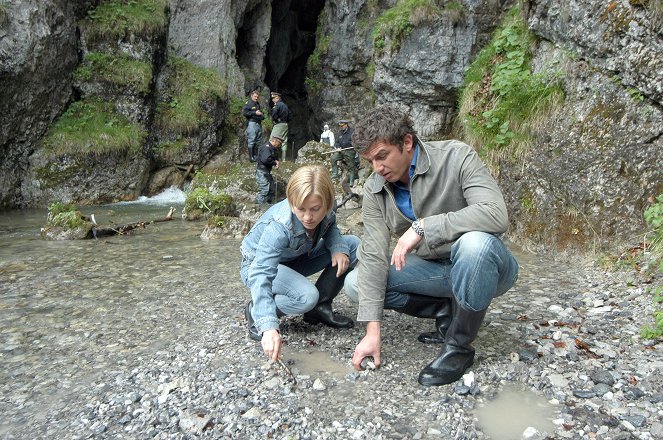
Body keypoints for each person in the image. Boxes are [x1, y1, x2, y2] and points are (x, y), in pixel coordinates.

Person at [344, 105, 519, 386]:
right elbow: (374, 255)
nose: (377, 168)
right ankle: (444, 308)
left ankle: (458, 346)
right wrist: (372, 331)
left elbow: (495, 214)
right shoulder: (375, 188)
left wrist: (424, 226)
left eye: (382, 156)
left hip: (486, 266)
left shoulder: (456, 155)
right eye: (370, 161)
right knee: (355, 282)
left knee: (475, 244)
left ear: (407, 142)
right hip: (434, 272)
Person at [240, 165, 360, 361]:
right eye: (300, 209)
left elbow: (330, 227)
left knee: (352, 245)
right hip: (255, 266)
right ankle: (256, 311)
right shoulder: (279, 227)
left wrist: (338, 247)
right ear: (291, 201)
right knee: (306, 296)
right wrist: (268, 326)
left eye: (315, 209)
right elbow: (261, 273)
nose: (307, 217)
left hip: (294, 259)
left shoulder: (327, 209)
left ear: (328, 203)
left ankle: (319, 309)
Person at [255, 135, 282, 205]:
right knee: (265, 188)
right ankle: (259, 204)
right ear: (275, 141)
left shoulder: (273, 149)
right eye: (279, 143)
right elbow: (265, 159)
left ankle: (269, 203)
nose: (280, 145)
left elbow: (275, 157)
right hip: (261, 171)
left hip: (267, 171)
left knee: (271, 188)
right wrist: (274, 162)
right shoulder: (266, 148)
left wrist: (276, 162)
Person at [331, 120, 357, 185]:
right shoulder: (339, 133)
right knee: (333, 158)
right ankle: (335, 174)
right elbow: (336, 142)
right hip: (341, 151)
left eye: (342, 126)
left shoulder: (352, 131)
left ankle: (351, 180)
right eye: (340, 126)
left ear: (346, 125)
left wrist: (351, 145)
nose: (341, 127)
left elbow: (355, 141)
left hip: (350, 151)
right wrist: (338, 147)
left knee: (351, 166)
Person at [242, 90, 264, 162]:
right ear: (251, 96)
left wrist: (261, 116)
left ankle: (255, 156)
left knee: (257, 140)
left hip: (258, 123)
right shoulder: (248, 103)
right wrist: (254, 112)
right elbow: (245, 113)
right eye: (255, 96)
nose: (256, 98)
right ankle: (251, 158)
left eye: (257, 97)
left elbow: (260, 113)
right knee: (251, 140)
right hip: (252, 123)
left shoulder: (257, 104)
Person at [270, 91, 290, 161]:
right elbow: (290, 116)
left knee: (272, 139)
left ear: (277, 98)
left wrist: (276, 119)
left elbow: (273, 114)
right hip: (285, 125)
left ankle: (272, 158)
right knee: (284, 141)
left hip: (279, 124)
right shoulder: (285, 105)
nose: (272, 100)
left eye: (273, 98)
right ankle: (283, 159)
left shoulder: (277, 105)